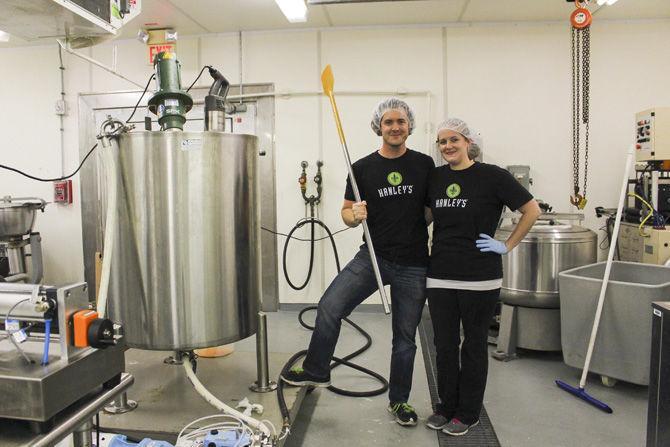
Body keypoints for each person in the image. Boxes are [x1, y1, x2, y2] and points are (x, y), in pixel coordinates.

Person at [281, 98, 435, 427]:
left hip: (414, 264)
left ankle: (399, 402)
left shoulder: (424, 165)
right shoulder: (362, 168)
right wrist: (355, 215)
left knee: (405, 337)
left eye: (401, 121)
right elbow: (346, 212)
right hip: (373, 257)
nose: (395, 127)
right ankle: (316, 370)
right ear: (379, 126)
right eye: (389, 122)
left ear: (410, 126)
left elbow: (431, 210)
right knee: (330, 306)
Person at [424, 118, 541, 436]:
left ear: (468, 142)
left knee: (473, 345)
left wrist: (506, 245)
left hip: (480, 276)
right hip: (441, 274)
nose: (447, 146)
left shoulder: (493, 176)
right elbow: (426, 215)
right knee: (444, 345)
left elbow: (532, 209)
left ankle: (468, 412)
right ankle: (446, 407)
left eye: (454, 140)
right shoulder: (435, 178)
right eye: (442, 142)